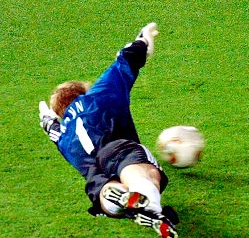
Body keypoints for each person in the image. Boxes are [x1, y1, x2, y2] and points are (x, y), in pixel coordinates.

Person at [39, 23, 179, 237]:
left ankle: (114, 198)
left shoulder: (65, 137)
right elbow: (125, 61)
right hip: (117, 149)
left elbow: (52, 130)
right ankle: (148, 203)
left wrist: (49, 122)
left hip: (93, 173)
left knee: (102, 186)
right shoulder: (96, 97)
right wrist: (143, 40)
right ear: (84, 91)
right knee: (145, 171)